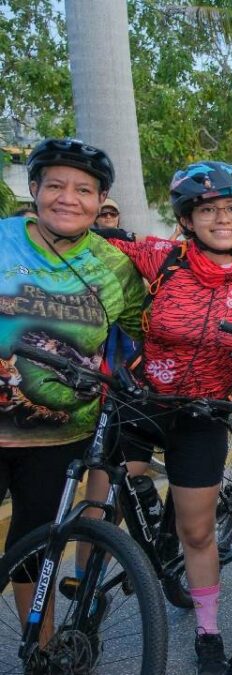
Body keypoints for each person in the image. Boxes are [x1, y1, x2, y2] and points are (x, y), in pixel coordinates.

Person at [103, 161, 232, 673]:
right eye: (208, 209)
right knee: (120, 490)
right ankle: (122, 559)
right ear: (187, 218)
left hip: (205, 414)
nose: (223, 218)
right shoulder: (161, 259)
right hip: (143, 399)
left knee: (198, 533)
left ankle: (208, 631)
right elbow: (89, 246)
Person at [0, 138, 144, 623]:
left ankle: (34, 646)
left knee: (32, 545)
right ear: (34, 189)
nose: (68, 198)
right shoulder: (2, 239)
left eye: (84, 190)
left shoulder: (114, 267)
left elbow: (146, 334)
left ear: (100, 201)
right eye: (55, 186)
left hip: (60, 436)